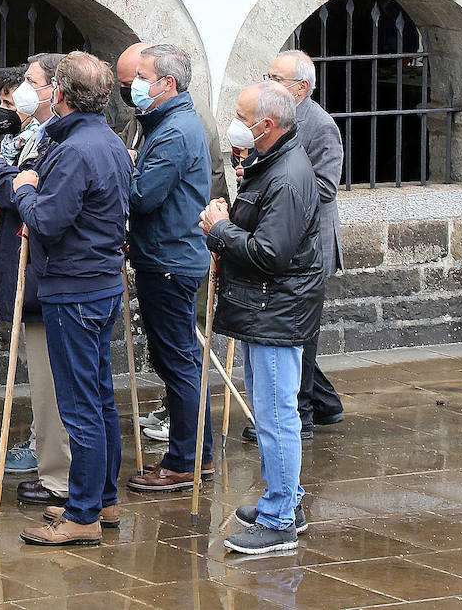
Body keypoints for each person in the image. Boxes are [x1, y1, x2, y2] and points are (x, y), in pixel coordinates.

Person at [0, 52, 131, 546]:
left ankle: (84, 513)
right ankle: (102, 500)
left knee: (82, 405)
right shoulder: (105, 139)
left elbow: (46, 220)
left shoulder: (77, 150)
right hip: (99, 283)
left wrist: (23, 189)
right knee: (99, 400)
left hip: (76, 287)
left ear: (60, 95)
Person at [200, 80, 323, 555]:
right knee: (271, 411)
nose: (235, 121)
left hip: (277, 309)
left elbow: (270, 253)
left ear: (266, 125)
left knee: (275, 416)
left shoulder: (288, 175)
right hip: (266, 308)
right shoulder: (269, 164)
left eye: (240, 114)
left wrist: (220, 230)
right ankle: (284, 498)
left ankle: (278, 519)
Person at [0, 53, 74, 506]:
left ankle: (61, 472)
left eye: (31, 81)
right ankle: (47, 452)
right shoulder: (33, 131)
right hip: (30, 268)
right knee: (44, 377)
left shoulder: (59, 140)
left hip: (49, 272)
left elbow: (27, 193)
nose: (21, 90)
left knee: (55, 378)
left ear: (57, 89)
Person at [123, 45, 215, 493]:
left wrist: (124, 166)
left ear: (168, 84)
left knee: (177, 361)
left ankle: (185, 459)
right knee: (179, 360)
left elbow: (143, 197)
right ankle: (200, 452)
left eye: (143, 76)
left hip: (169, 258)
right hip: (167, 254)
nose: (135, 85)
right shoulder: (167, 124)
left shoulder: (176, 130)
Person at [262, 49, 345, 437]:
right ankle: (325, 402)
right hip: (284, 236)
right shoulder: (276, 117)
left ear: (301, 87)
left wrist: (282, 180)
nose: (269, 83)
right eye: (268, 75)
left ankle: (303, 413)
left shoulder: (321, 125)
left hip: (310, 242)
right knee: (296, 329)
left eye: (277, 79)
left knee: (301, 330)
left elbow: (326, 186)